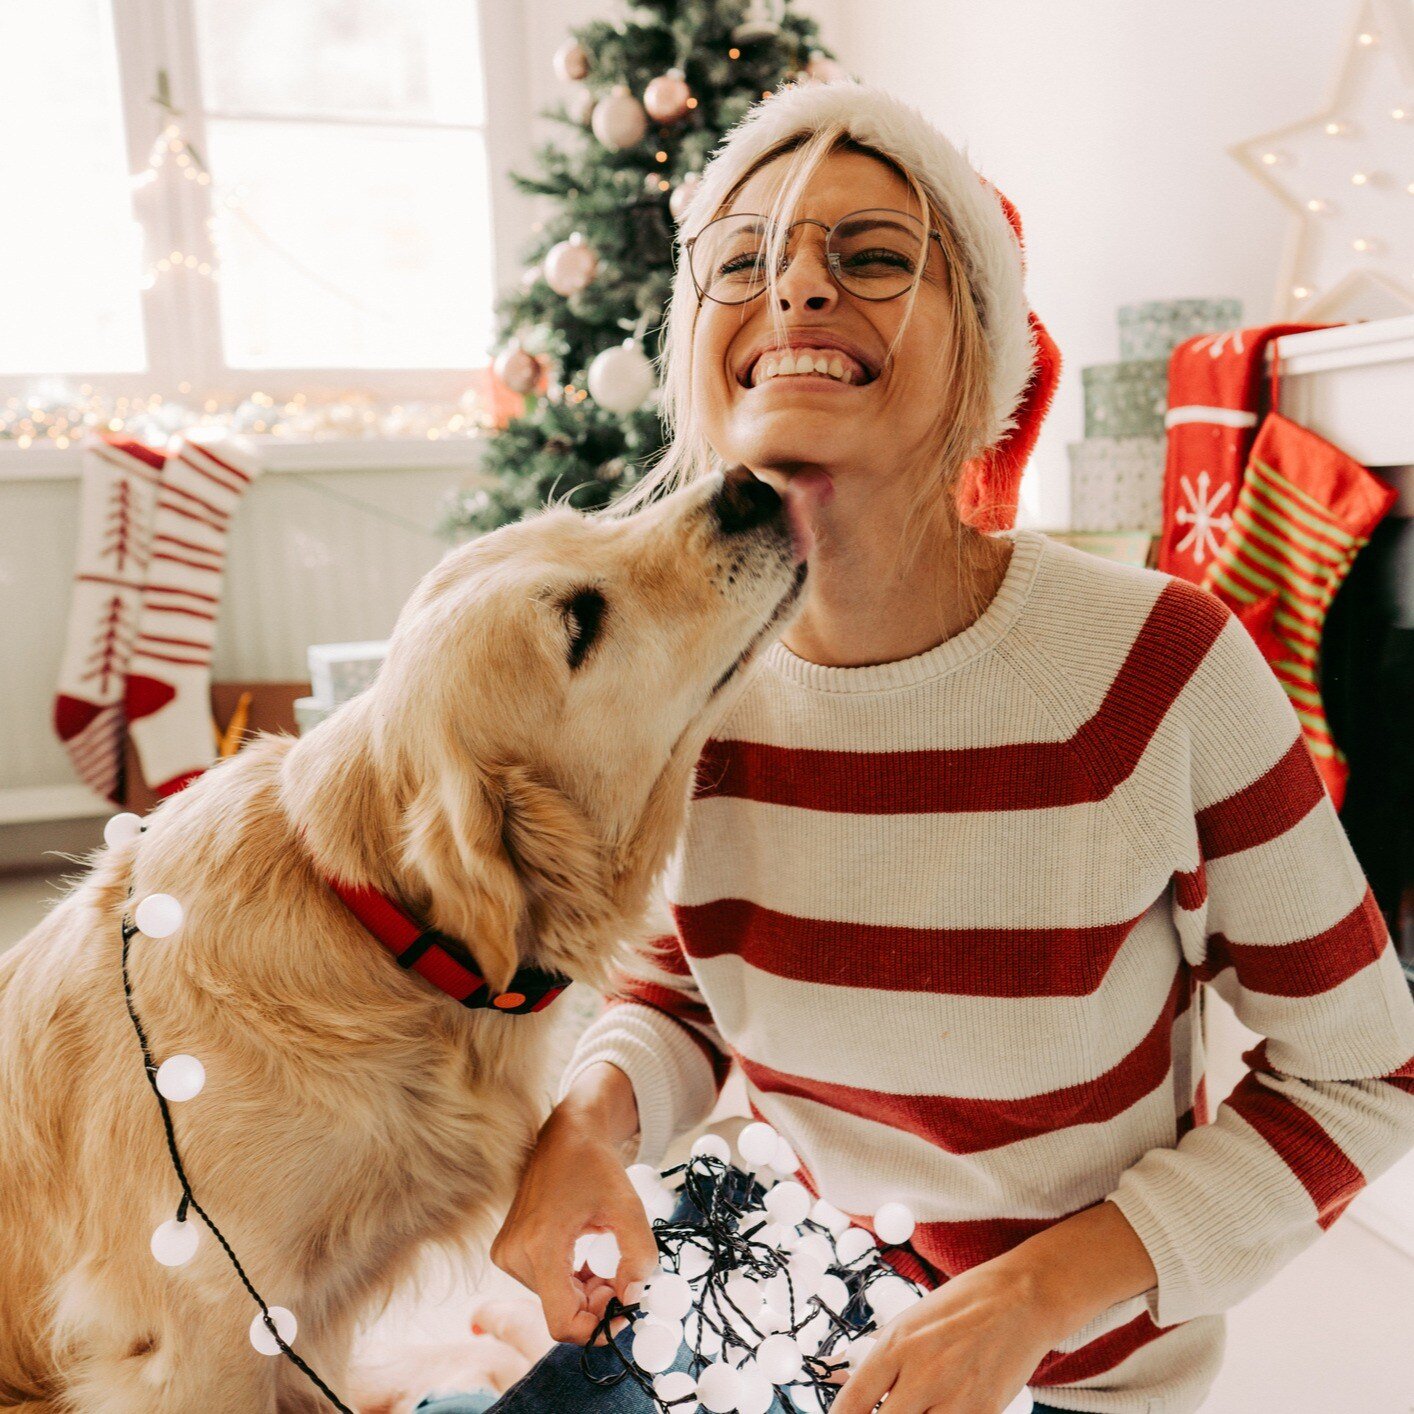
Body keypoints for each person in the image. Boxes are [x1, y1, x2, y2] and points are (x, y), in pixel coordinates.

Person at [425, 79, 1414, 1413]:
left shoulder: (1154, 667)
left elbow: (1364, 1067)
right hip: (768, 1304)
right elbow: (683, 980)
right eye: (740, 262)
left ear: (983, 350)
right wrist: (590, 1120)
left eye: (874, 256)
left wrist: (1037, 1293)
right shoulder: (679, 688)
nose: (797, 291)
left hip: (1079, 1376)